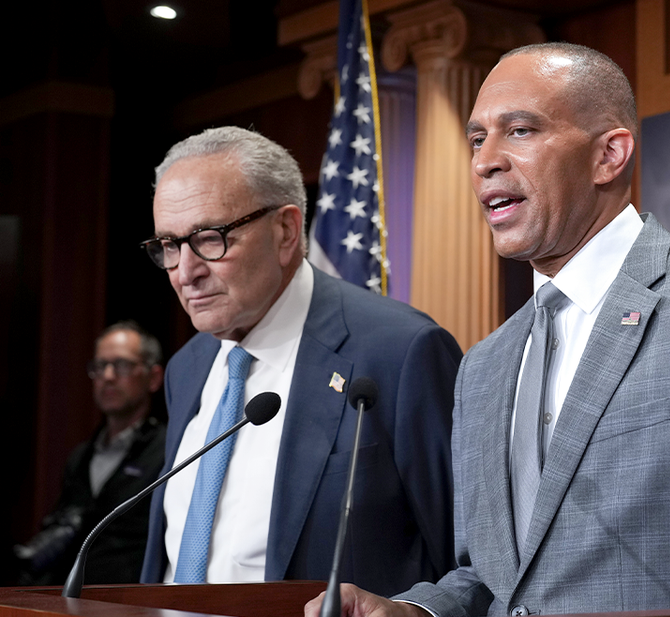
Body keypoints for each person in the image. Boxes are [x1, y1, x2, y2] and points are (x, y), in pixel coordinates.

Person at [310, 43, 670, 617]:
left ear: (609, 156)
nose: (485, 160)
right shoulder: (484, 365)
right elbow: (495, 581)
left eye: (520, 130)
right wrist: (417, 610)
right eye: (478, 138)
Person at [137, 127, 462, 597]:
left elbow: (468, 563)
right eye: (169, 246)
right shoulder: (187, 366)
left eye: (209, 238)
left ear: (286, 231)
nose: (186, 272)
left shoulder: (400, 353)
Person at [14, 322, 166, 585]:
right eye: (100, 366)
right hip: (71, 596)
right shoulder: (80, 457)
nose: (108, 376)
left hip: (134, 599)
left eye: (122, 365)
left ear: (153, 377)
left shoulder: (169, 449)